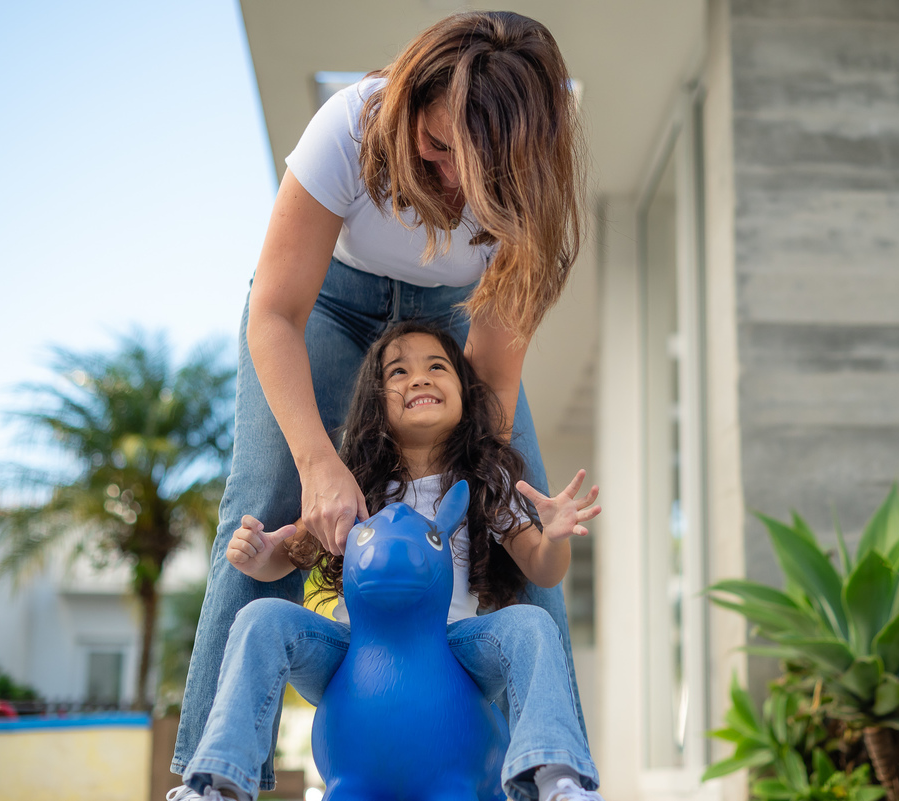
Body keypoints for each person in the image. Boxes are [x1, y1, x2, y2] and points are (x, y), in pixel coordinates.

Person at [170, 9, 589, 794]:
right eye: (436, 150)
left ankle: (548, 776)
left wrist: (492, 489)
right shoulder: (350, 126)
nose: (454, 185)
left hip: (457, 316)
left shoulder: (534, 193)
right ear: (407, 112)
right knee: (266, 496)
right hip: (329, 303)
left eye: (481, 171)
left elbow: (491, 379)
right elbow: (274, 313)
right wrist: (318, 462)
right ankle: (214, 774)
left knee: (521, 502)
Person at [168, 324, 602, 801]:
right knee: (259, 616)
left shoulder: (485, 479)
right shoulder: (353, 479)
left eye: (437, 367)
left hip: (455, 645)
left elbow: (543, 570)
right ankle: (219, 782)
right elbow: (294, 554)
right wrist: (260, 554)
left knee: (533, 623)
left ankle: (557, 779)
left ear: (464, 391)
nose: (419, 379)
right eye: (399, 372)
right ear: (376, 402)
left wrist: (555, 537)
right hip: (353, 650)